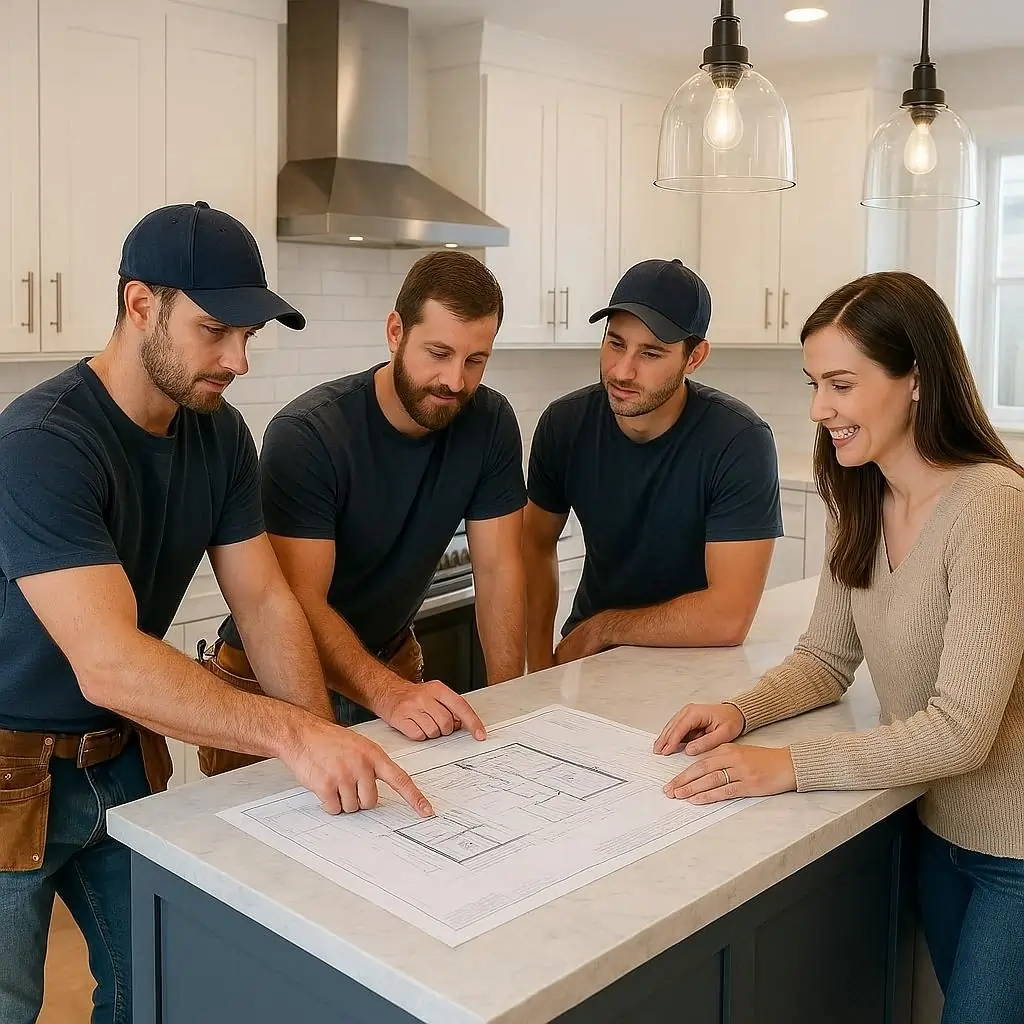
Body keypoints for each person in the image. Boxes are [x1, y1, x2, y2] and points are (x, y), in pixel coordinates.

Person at [0, 202, 431, 1024]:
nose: (238, 359)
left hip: (125, 757)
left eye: (248, 334)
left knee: (159, 992)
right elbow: (108, 660)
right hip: (8, 770)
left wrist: (322, 743)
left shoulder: (220, 435)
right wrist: (294, 736)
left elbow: (264, 602)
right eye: (215, 331)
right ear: (140, 305)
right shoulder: (42, 443)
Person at [655, 271, 1024, 1024]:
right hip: (933, 824)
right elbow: (826, 660)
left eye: (842, 385)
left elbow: (961, 731)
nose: (820, 408)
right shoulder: (860, 493)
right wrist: (740, 713)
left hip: (1013, 851)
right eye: (815, 384)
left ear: (916, 379)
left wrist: (789, 766)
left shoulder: (993, 506)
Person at [199, 249, 526, 776]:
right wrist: (388, 693)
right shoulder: (309, 435)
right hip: (272, 685)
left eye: (475, 360)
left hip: (391, 669)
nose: (454, 381)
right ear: (396, 332)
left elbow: (499, 570)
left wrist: (511, 704)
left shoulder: (490, 423)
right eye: (438, 353)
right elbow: (300, 601)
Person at [523, 258, 783, 671]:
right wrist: (538, 668)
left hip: (698, 659)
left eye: (650, 352)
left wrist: (602, 628)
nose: (622, 371)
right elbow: (533, 546)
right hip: (593, 663)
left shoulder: (739, 441)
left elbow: (728, 617)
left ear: (694, 357)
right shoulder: (564, 425)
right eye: (615, 343)